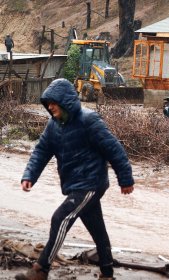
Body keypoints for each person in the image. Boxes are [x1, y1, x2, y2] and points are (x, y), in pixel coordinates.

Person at [16, 78, 135, 280]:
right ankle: (107, 273)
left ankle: (41, 269)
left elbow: (114, 149)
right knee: (96, 227)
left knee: (60, 218)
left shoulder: (89, 120)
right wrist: (29, 176)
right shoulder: (53, 126)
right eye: (48, 104)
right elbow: (41, 152)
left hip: (91, 183)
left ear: (65, 101)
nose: (50, 107)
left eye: (53, 102)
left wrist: (125, 179)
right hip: (74, 185)